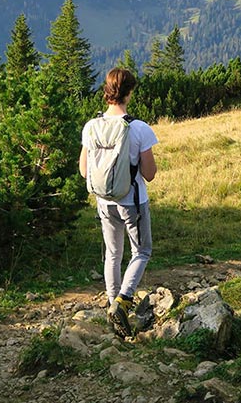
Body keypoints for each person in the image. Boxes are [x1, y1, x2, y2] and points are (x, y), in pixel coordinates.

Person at [79, 67, 158, 338]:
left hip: (104, 201)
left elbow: (83, 170)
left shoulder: (91, 126)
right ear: (129, 92)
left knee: (113, 253)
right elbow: (149, 173)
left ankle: (112, 304)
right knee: (142, 251)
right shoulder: (138, 128)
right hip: (132, 201)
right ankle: (123, 302)